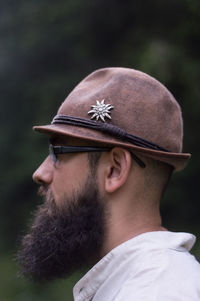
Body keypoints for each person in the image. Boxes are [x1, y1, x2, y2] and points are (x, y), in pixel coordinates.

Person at [18, 67, 200, 300]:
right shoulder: (143, 282)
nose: (40, 173)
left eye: (58, 152)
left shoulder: (155, 291)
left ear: (115, 169)